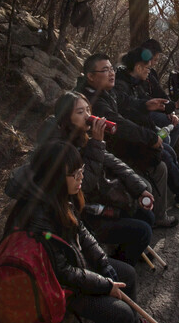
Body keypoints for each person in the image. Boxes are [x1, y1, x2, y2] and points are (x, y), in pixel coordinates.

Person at [4, 140, 167, 323]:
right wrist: (104, 285)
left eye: (82, 172)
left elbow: (81, 233)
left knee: (125, 273)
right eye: (76, 174)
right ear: (57, 175)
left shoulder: (55, 195)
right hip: (52, 287)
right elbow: (62, 272)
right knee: (121, 314)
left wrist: (105, 266)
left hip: (69, 267)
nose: (82, 179)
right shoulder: (38, 214)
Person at [37, 91, 156, 265]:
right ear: (65, 117)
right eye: (80, 112)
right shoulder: (60, 148)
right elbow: (84, 184)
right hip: (87, 215)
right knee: (143, 229)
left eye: (88, 110)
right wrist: (97, 143)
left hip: (102, 199)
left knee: (146, 214)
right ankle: (118, 268)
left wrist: (140, 188)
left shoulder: (82, 137)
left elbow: (116, 164)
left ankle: (129, 253)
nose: (87, 116)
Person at [76, 53, 177, 228]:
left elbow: (126, 101)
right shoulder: (91, 101)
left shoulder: (106, 91)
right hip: (104, 159)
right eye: (105, 70)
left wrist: (146, 104)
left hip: (114, 150)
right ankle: (146, 219)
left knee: (161, 162)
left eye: (112, 68)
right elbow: (119, 124)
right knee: (153, 172)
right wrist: (149, 137)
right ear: (91, 76)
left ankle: (157, 215)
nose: (111, 73)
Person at [114, 48, 179, 212]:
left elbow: (147, 103)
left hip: (140, 132)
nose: (149, 71)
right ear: (137, 68)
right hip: (129, 139)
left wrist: (167, 111)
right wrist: (151, 134)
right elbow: (127, 112)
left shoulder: (135, 83)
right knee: (164, 151)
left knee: (169, 151)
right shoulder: (122, 85)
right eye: (147, 68)